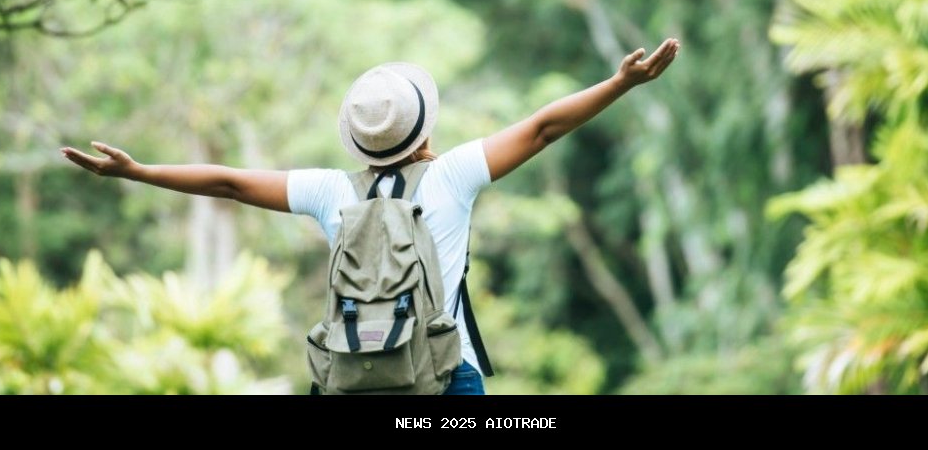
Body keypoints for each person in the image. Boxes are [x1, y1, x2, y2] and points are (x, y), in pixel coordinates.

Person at [62, 39, 680, 394]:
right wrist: (620, 83)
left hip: (356, 376)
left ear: (360, 141)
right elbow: (543, 128)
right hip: (446, 376)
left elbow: (229, 182)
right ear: (423, 127)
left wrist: (138, 170)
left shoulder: (329, 191)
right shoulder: (453, 176)